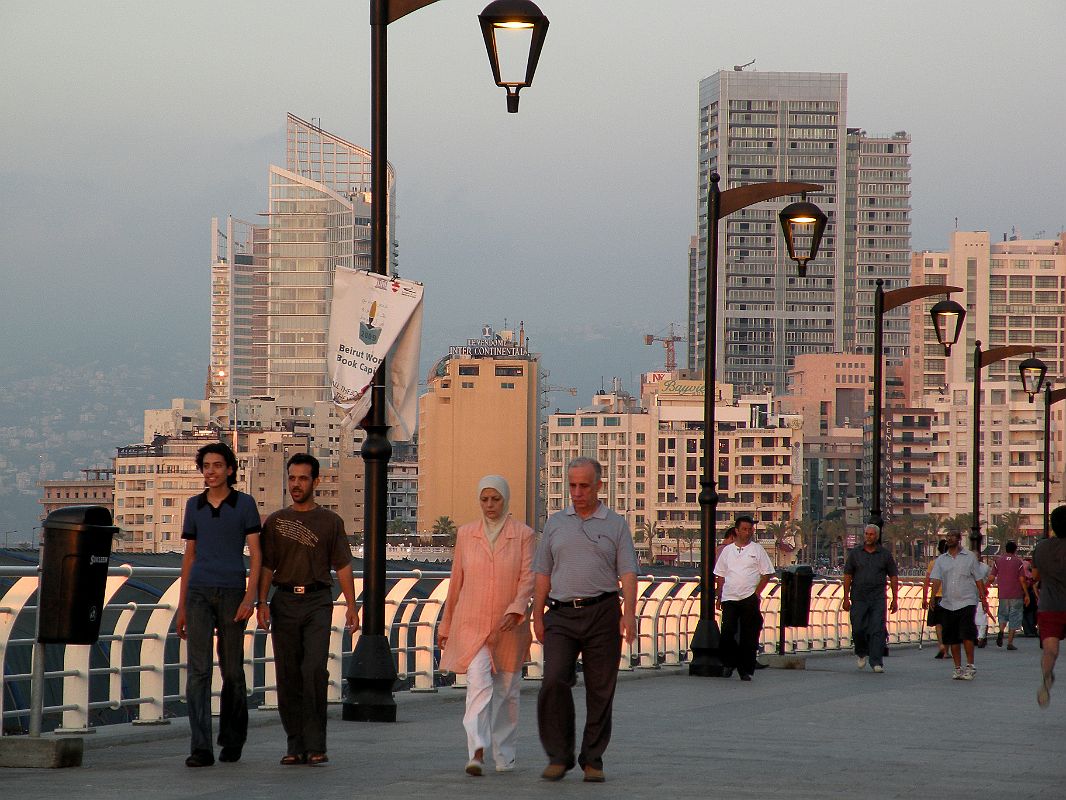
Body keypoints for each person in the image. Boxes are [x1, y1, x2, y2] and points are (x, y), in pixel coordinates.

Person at [532, 457, 637, 783]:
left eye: (584, 486)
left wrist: (629, 614)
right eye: (572, 486)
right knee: (553, 681)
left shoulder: (615, 524)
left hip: (603, 613)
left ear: (598, 486)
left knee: (601, 689)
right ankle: (558, 756)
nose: (577, 492)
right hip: (561, 614)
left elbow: (628, 573)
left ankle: (593, 759)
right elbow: (542, 572)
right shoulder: (555, 524)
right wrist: (536, 616)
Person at [256, 453, 358, 766]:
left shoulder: (330, 522)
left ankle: (316, 744)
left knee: (314, 670)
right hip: (284, 601)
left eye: (302, 478)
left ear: (316, 481)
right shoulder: (275, 522)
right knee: (287, 674)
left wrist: (352, 606)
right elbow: (267, 567)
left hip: (318, 601)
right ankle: (294, 743)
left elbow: (342, 566)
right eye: (292, 478)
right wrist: (261, 602)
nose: (296, 484)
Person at [438, 475, 535, 776]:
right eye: (484, 499)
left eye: (496, 499)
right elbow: (456, 583)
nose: (490, 505)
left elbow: (528, 578)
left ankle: (504, 756)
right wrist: (446, 625)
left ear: (505, 500)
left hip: (509, 627)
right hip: (472, 623)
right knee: (478, 684)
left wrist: (517, 609)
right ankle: (477, 750)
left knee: (507, 692)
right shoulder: (467, 534)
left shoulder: (524, 535)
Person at [176, 442, 262, 767]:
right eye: (206, 466)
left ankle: (232, 739)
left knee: (232, 670)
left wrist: (250, 596)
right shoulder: (193, 506)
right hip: (198, 592)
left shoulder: (245, 505)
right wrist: (182, 606)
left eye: (216, 465)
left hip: (232, 593)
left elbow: (256, 554)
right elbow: (190, 555)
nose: (210, 471)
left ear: (229, 469)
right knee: (198, 672)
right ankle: (201, 747)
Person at [713, 515, 774, 682]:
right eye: (744, 529)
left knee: (748, 635)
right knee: (727, 632)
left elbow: (767, 573)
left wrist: (757, 592)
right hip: (730, 597)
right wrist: (719, 595)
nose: (748, 533)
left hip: (748, 597)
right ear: (737, 531)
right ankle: (729, 663)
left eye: (750, 530)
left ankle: (744, 669)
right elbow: (720, 574)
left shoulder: (757, 550)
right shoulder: (727, 551)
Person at [927, 531, 991, 681]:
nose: (949, 539)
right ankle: (957, 667)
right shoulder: (941, 560)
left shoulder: (969, 557)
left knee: (967, 634)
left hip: (967, 601)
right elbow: (936, 580)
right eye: (947, 537)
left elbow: (978, 579)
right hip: (948, 602)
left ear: (959, 539)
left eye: (952, 536)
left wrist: (983, 598)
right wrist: (931, 597)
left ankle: (970, 665)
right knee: (952, 637)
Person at [842, 524, 899, 673]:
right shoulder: (855, 554)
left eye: (871, 534)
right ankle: (861, 652)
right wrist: (846, 597)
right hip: (859, 597)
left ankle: (876, 661)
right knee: (858, 628)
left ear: (877, 536)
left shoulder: (885, 555)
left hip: (878, 598)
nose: (868, 537)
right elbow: (847, 575)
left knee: (877, 629)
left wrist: (895, 598)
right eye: (866, 534)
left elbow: (893, 576)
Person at [1032, 505, 1066, 708]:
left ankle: (1046, 676)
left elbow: (1035, 576)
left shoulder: (1041, 548)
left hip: (1049, 605)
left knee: (1050, 650)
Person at [991, 541, 1029, 650]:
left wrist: (984, 587)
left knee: (1003, 615)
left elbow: (991, 577)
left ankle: (1001, 631)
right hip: (1016, 593)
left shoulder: (998, 561)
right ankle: (1010, 642)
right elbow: (1022, 579)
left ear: (1006, 549)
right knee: (1014, 617)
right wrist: (1026, 594)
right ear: (1015, 550)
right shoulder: (1018, 562)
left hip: (1003, 593)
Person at [923, 539, 949, 658]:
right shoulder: (952, 562)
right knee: (948, 624)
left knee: (939, 623)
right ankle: (947, 650)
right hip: (950, 597)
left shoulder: (933, 563)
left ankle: (941, 645)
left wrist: (926, 598)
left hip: (937, 596)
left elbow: (927, 582)